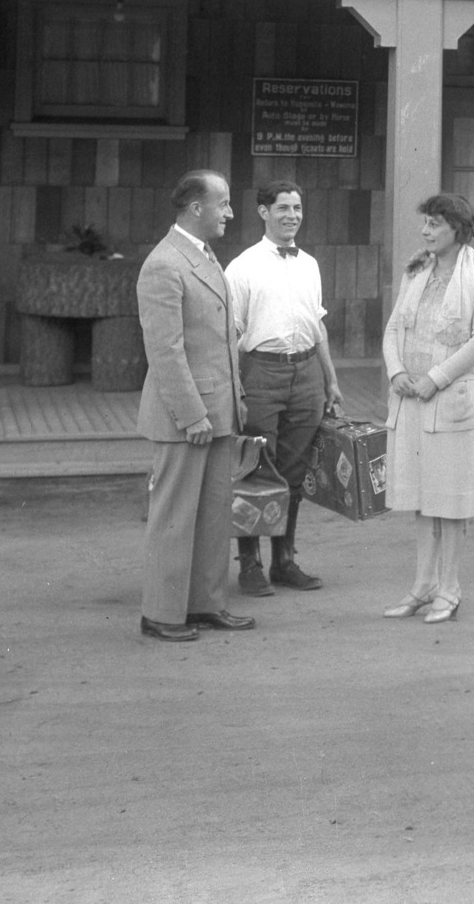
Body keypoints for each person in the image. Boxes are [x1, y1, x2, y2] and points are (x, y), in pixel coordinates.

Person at [137, 169, 255, 642]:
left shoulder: (203, 256)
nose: (229, 212)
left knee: (211, 515)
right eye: (223, 203)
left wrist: (232, 404)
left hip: (217, 411)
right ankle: (162, 614)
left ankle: (205, 604)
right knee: (174, 516)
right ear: (195, 208)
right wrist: (193, 416)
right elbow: (165, 351)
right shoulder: (164, 264)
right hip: (187, 417)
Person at [380, 193, 474, 623]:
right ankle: (422, 585)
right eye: (424, 223)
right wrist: (397, 373)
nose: (425, 231)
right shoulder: (416, 270)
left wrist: (435, 378)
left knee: (450, 504)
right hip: (410, 400)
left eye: (434, 224)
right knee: (421, 501)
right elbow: (394, 326)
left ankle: (450, 589)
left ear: (457, 229)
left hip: (452, 402)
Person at [224, 179, 343, 595]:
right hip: (262, 373)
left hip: (307, 372)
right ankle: (250, 565)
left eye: (297, 208)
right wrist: (236, 390)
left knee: (294, 471)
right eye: (283, 208)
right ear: (263, 212)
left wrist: (331, 379)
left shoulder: (309, 263)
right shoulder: (241, 267)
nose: (292, 216)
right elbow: (230, 333)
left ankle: (285, 561)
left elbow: (318, 326)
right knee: (256, 468)